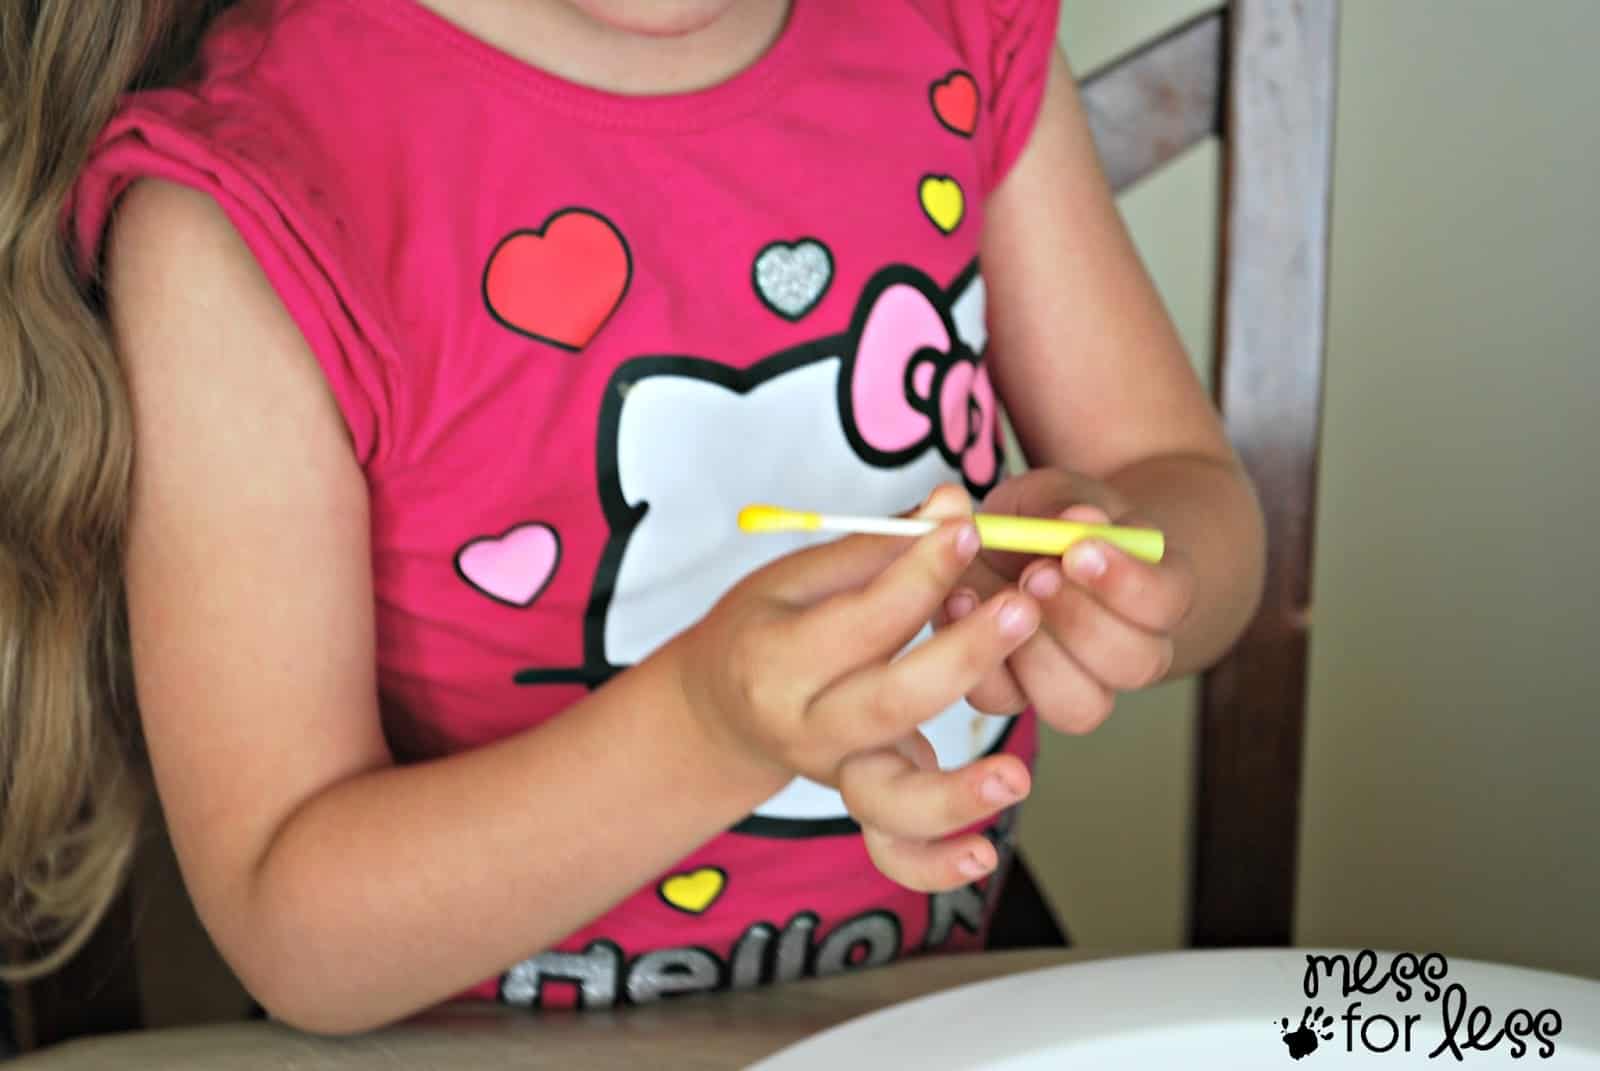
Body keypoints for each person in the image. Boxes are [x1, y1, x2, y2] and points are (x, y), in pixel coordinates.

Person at [0, 0, 1264, 1034]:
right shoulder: (247, 196)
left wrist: (1119, 574)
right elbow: (300, 935)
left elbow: (1182, 489)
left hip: (924, 1004)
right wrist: (713, 727)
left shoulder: (952, 33)